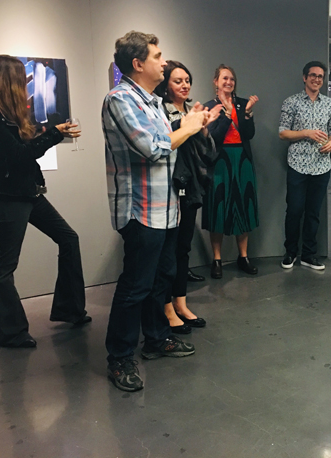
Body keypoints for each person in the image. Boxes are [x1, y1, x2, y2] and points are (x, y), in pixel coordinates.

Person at [102, 31, 209, 392]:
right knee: (135, 286)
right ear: (138, 64)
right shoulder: (119, 100)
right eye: (157, 56)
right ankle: (119, 357)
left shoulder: (151, 101)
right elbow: (151, 148)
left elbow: (166, 139)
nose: (163, 62)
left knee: (160, 280)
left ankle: (156, 338)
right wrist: (187, 128)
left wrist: (189, 122)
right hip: (140, 211)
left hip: (166, 209)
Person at [0, 54, 91, 348]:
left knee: (69, 239)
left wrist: (51, 134)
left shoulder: (6, 115)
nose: (25, 83)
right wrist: (53, 134)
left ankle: (70, 310)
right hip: (9, 199)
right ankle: (11, 333)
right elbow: (19, 155)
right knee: (6, 267)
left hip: (29, 194)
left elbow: (23, 151)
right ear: (7, 80)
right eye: (20, 77)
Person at [154, 60, 220, 334]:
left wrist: (202, 128)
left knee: (183, 247)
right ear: (166, 85)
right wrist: (187, 123)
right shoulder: (160, 111)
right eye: (177, 81)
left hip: (190, 185)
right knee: (167, 250)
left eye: (187, 80)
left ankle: (180, 303)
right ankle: (166, 306)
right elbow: (163, 142)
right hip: (169, 186)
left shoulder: (192, 112)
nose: (184, 85)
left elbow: (209, 152)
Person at [202, 64, 260, 279]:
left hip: (242, 160)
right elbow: (215, 137)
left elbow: (249, 134)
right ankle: (217, 259)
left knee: (243, 206)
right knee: (217, 207)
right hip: (219, 161)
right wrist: (227, 114)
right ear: (215, 82)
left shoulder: (243, 104)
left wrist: (247, 113)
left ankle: (243, 257)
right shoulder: (210, 107)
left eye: (232, 79)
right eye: (224, 78)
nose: (229, 82)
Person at [279, 61, 331, 271]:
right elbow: (283, 133)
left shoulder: (329, 104)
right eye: (313, 75)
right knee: (295, 210)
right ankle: (290, 252)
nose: (316, 79)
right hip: (298, 165)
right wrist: (306, 133)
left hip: (321, 166)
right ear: (305, 78)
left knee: (313, 212)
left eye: (320, 76)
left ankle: (309, 254)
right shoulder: (291, 102)